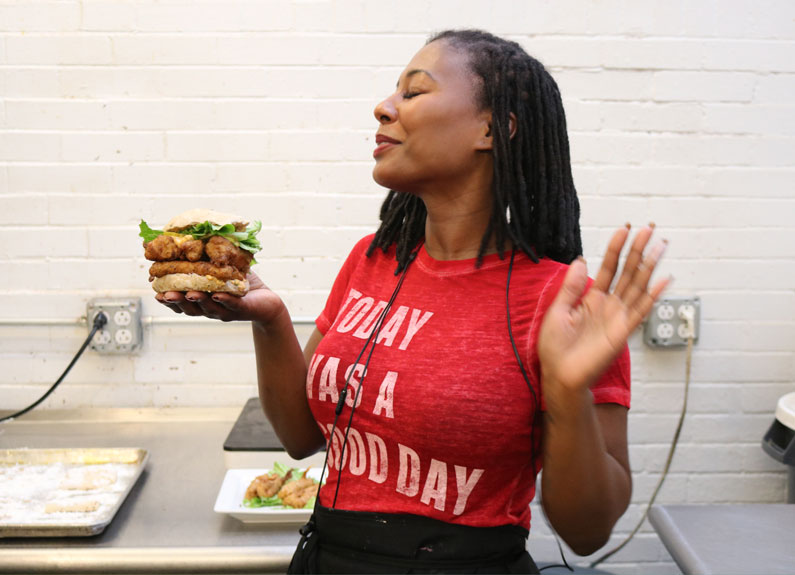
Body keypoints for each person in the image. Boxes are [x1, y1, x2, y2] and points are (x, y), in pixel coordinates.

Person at [156, 29, 669, 573]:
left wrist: (568, 393)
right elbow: (302, 438)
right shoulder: (370, 261)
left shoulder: (565, 305)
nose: (383, 108)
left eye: (414, 92)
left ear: (493, 128)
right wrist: (271, 321)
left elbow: (588, 533)